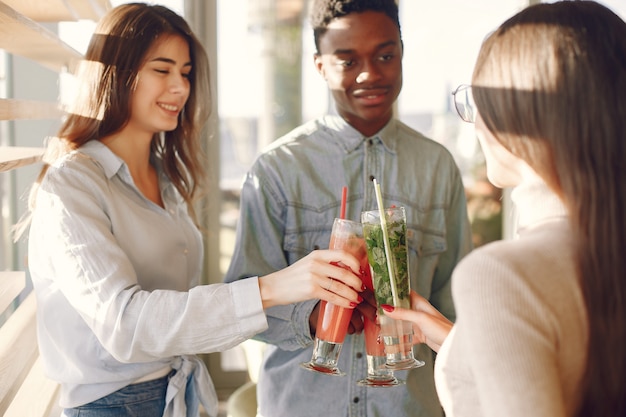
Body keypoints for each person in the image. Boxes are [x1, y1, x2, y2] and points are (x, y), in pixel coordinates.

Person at [17, 3, 367, 417]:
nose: (180, 87)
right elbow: (124, 326)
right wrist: (275, 286)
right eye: (161, 70)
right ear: (115, 73)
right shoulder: (71, 184)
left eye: (184, 72)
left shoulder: (167, 180)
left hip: (177, 396)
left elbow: (181, 312)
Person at [223, 0, 473, 415]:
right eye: (347, 60)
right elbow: (244, 301)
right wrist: (309, 316)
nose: (369, 74)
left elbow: (455, 303)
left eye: (385, 56)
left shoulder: (438, 167)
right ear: (320, 66)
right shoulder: (278, 168)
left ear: (402, 53)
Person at [383, 1, 626, 416]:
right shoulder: (601, 245)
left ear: (520, 114)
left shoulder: (501, 273)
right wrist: (463, 336)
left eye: (477, 100)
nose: (474, 122)